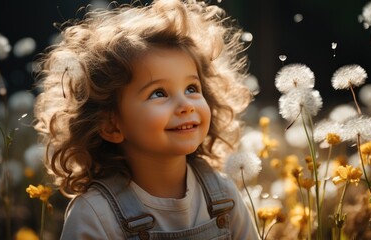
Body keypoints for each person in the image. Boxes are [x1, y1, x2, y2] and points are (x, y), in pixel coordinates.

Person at [34, 0, 258, 239]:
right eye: (159, 93)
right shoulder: (95, 215)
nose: (185, 105)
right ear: (111, 125)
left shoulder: (224, 195)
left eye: (192, 88)